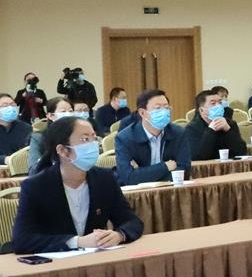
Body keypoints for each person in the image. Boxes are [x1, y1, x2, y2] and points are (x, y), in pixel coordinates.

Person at [10, 115, 143, 254]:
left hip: (96, 259)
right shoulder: (35, 186)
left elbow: (132, 221)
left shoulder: (105, 179)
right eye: (85, 139)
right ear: (62, 150)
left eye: (94, 138)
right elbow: (21, 240)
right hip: (55, 262)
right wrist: (76, 242)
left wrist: (119, 235)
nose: (93, 145)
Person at [114, 88, 192, 186]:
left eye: (166, 108)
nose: (164, 112)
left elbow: (184, 172)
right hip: (136, 193)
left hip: (170, 190)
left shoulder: (178, 133)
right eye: (158, 108)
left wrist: (142, 173)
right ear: (142, 113)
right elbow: (129, 177)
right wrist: (165, 167)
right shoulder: (125, 138)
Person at [183, 88, 248, 162]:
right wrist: (211, 131)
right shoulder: (192, 128)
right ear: (201, 110)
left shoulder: (230, 124)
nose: (218, 106)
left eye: (220, 103)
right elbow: (198, 156)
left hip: (231, 166)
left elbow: (242, 152)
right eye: (213, 103)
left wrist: (228, 130)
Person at [26, 97, 76, 176]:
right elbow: (33, 170)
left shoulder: (80, 136)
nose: (68, 114)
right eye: (63, 111)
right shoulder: (38, 138)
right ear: (50, 116)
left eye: (70, 111)